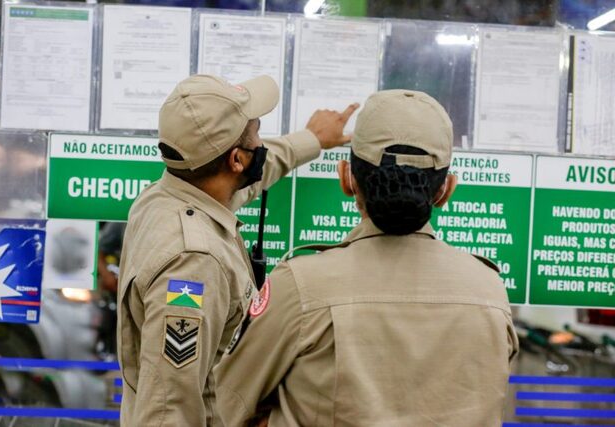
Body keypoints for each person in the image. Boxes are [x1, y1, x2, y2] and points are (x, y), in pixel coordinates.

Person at [214, 89, 519, 426]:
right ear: (446, 190)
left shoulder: (302, 287)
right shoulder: (490, 292)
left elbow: (226, 407)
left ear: (347, 178)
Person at [117, 74, 358, 426]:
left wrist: (311, 140)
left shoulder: (168, 195)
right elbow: (169, 409)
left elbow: (253, 174)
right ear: (236, 161)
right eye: (256, 133)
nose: (262, 143)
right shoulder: (193, 264)